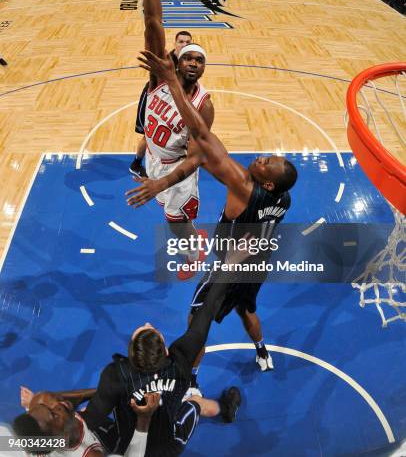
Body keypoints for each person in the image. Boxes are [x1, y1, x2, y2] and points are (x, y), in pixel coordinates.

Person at [137, 49, 297, 377]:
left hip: (228, 268)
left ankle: (191, 381)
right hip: (258, 266)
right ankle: (261, 350)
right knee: (247, 309)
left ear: (267, 184)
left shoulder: (242, 185)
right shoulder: (284, 199)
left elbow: (202, 134)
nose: (263, 157)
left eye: (268, 163)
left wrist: (170, 81)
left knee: (197, 321)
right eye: (269, 156)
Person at [81, 267, 242, 457]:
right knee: (195, 402)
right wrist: (229, 266)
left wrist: (42, 434)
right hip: (167, 447)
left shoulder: (116, 375)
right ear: (165, 350)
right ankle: (225, 409)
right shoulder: (180, 359)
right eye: (148, 329)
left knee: (84, 414)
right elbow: (206, 311)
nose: (147, 323)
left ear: (130, 355)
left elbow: (87, 420)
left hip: (126, 447)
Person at [125, 0, 215, 279]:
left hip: (176, 171)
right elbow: (153, 21)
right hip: (153, 157)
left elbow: (196, 158)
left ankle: (195, 249)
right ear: (176, 60)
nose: (193, 61)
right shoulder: (158, 76)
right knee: (167, 211)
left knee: (175, 220)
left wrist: (159, 184)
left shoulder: (204, 105)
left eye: (199, 59)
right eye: (188, 56)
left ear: (203, 68)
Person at [12, 388, 160, 457]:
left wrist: (115, 389)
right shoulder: (90, 455)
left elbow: (74, 398)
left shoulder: (41, 403)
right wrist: (144, 418)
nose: (57, 406)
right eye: (54, 415)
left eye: (43, 407)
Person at [129, 30, 193, 179]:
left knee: (182, 134)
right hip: (154, 98)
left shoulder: (190, 61)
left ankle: (176, 165)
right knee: (148, 135)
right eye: (181, 42)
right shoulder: (167, 59)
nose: (184, 45)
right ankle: (136, 164)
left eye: (187, 42)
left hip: (172, 101)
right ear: (175, 44)